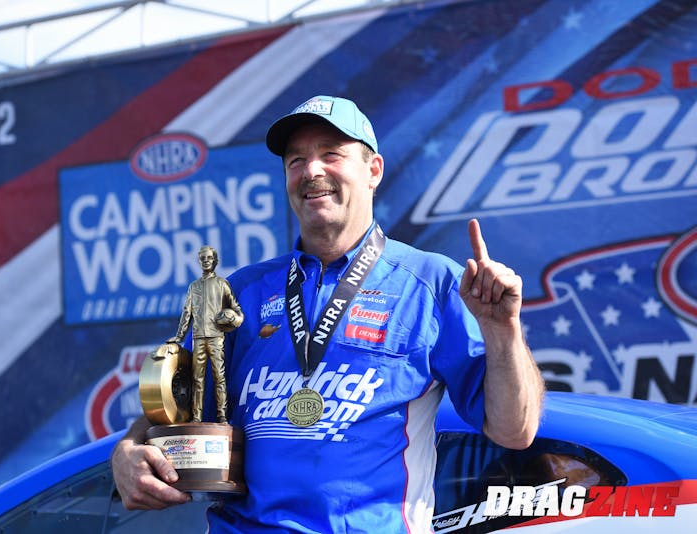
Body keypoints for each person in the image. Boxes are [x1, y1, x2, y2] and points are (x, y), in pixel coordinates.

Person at [111, 95, 544, 532]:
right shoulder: (242, 291)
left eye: (331, 154)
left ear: (373, 170)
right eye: (296, 160)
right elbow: (177, 401)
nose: (311, 171)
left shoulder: (432, 283)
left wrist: (503, 330)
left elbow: (515, 430)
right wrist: (127, 449)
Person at [167, 245, 243, 423]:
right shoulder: (194, 287)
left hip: (217, 338)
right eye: (203, 258)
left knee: (219, 378)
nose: (206, 261)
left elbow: (237, 310)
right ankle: (197, 417)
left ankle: (222, 416)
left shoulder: (222, 284)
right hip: (198, 339)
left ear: (215, 261)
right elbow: (187, 313)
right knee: (197, 379)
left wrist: (234, 320)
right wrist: (179, 337)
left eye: (209, 258)